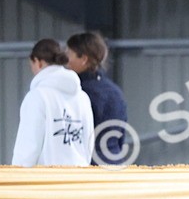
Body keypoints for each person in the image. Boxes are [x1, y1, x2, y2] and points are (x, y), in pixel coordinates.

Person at [11, 39, 94, 167]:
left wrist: (17, 176)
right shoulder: (82, 97)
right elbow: (88, 142)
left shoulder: (38, 96)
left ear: (38, 62)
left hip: (47, 181)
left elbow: (28, 147)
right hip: (79, 178)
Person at [67, 31, 129, 165]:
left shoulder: (78, 93)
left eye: (69, 55)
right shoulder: (115, 92)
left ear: (83, 59)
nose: (66, 61)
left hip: (89, 167)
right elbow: (121, 136)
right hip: (116, 162)